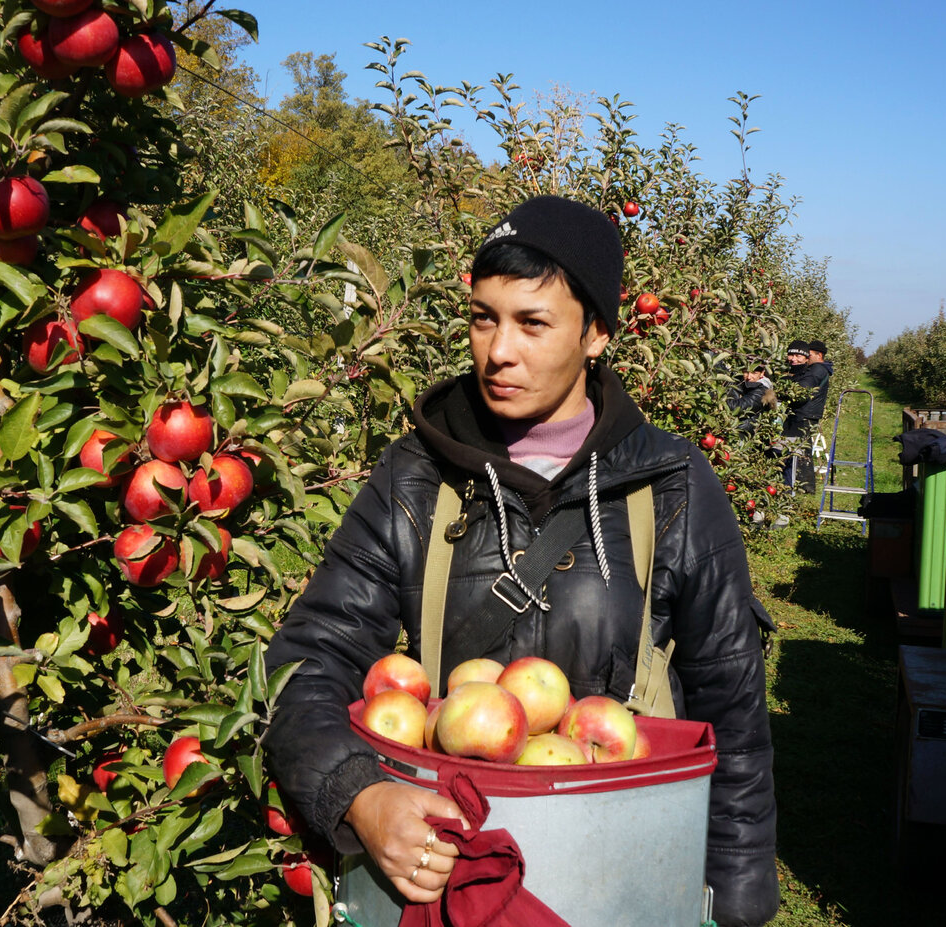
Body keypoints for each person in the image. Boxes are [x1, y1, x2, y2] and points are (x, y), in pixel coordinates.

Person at [264, 196, 779, 926]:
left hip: (615, 879)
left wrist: (736, 903)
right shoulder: (416, 478)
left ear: (596, 332)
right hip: (452, 883)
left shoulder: (671, 487)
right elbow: (306, 660)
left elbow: (732, 711)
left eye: (532, 322)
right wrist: (359, 794)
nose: (498, 350)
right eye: (484, 317)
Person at [780, 339, 830, 491]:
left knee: (798, 453)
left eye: (809, 354)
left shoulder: (817, 370)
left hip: (804, 415)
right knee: (802, 452)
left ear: (818, 355)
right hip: (807, 414)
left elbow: (802, 391)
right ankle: (802, 487)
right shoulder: (817, 370)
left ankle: (800, 487)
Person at [726, 363, 777, 434]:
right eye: (746, 372)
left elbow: (735, 408)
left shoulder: (762, 392)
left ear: (762, 374)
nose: (749, 377)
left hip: (743, 433)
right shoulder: (741, 383)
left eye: (754, 373)